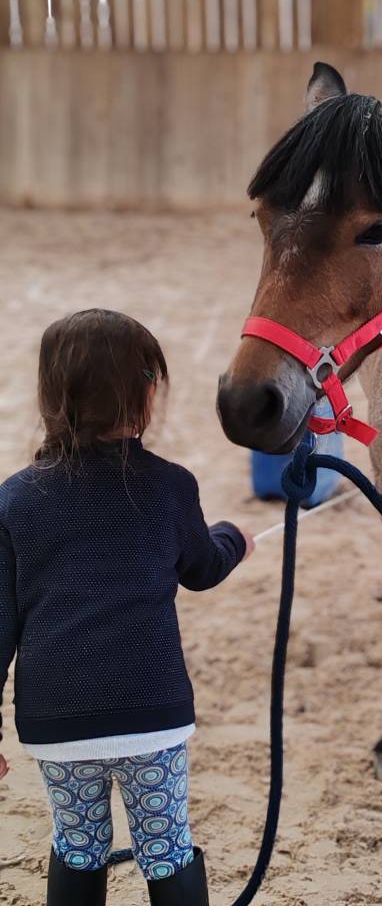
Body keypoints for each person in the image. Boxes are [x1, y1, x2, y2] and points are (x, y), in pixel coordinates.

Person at [0, 309, 254, 906]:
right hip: (151, 717)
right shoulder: (171, 486)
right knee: (165, 849)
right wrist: (233, 538)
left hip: (57, 722)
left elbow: (0, 622)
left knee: (78, 845)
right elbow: (202, 568)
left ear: (52, 396)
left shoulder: (15, 500)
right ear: (144, 394)